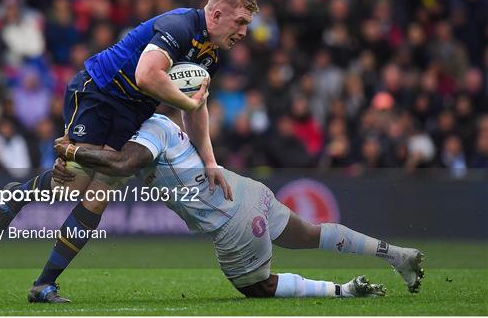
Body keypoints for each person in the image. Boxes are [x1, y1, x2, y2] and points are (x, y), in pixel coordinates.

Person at [0, 0, 258, 301]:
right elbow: (146, 75)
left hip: (133, 110)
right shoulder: (179, 26)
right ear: (216, 14)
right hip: (98, 91)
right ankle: (16, 196)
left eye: (247, 25)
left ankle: (43, 285)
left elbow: (196, 106)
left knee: (98, 194)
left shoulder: (209, 54)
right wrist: (187, 104)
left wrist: (210, 161)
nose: (244, 31)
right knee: (74, 184)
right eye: (240, 22)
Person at [49, 113, 424, 303]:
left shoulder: (144, 136)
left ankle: (343, 292)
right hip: (247, 192)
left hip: (232, 222)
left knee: (258, 289)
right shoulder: (158, 124)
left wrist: (67, 149)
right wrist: (72, 166)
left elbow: (118, 166)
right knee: (309, 234)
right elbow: (103, 172)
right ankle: (395, 254)